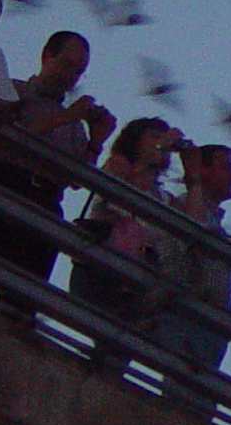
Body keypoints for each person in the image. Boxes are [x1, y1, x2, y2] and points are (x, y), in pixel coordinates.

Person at [0, 30, 115, 297]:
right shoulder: (11, 90)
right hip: (0, 187)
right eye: (67, 64)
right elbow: (4, 138)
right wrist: (65, 117)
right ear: (46, 56)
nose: (70, 76)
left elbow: (76, 180)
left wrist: (96, 141)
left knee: (24, 300)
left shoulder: (75, 124)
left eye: (78, 71)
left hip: (45, 203)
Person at [68, 116, 178, 345]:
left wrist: (193, 173)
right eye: (154, 138)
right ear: (135, 141)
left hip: (132, 278)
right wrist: (154, 155)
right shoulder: (118, 164)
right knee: (108, 334)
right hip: (100, 265)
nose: (162, 144)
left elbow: (191, 223)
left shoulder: (162, 197)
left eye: (164, 140)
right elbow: (129, 191)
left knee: (120, 345)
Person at [148, 143, 231, 400]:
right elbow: (189, 235)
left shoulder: (215, 223)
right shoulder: (181, 207)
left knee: (199, 403)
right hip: (187, 321)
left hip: (209, 328)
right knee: (182, 402)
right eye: (227, 167)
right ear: (202, 171)